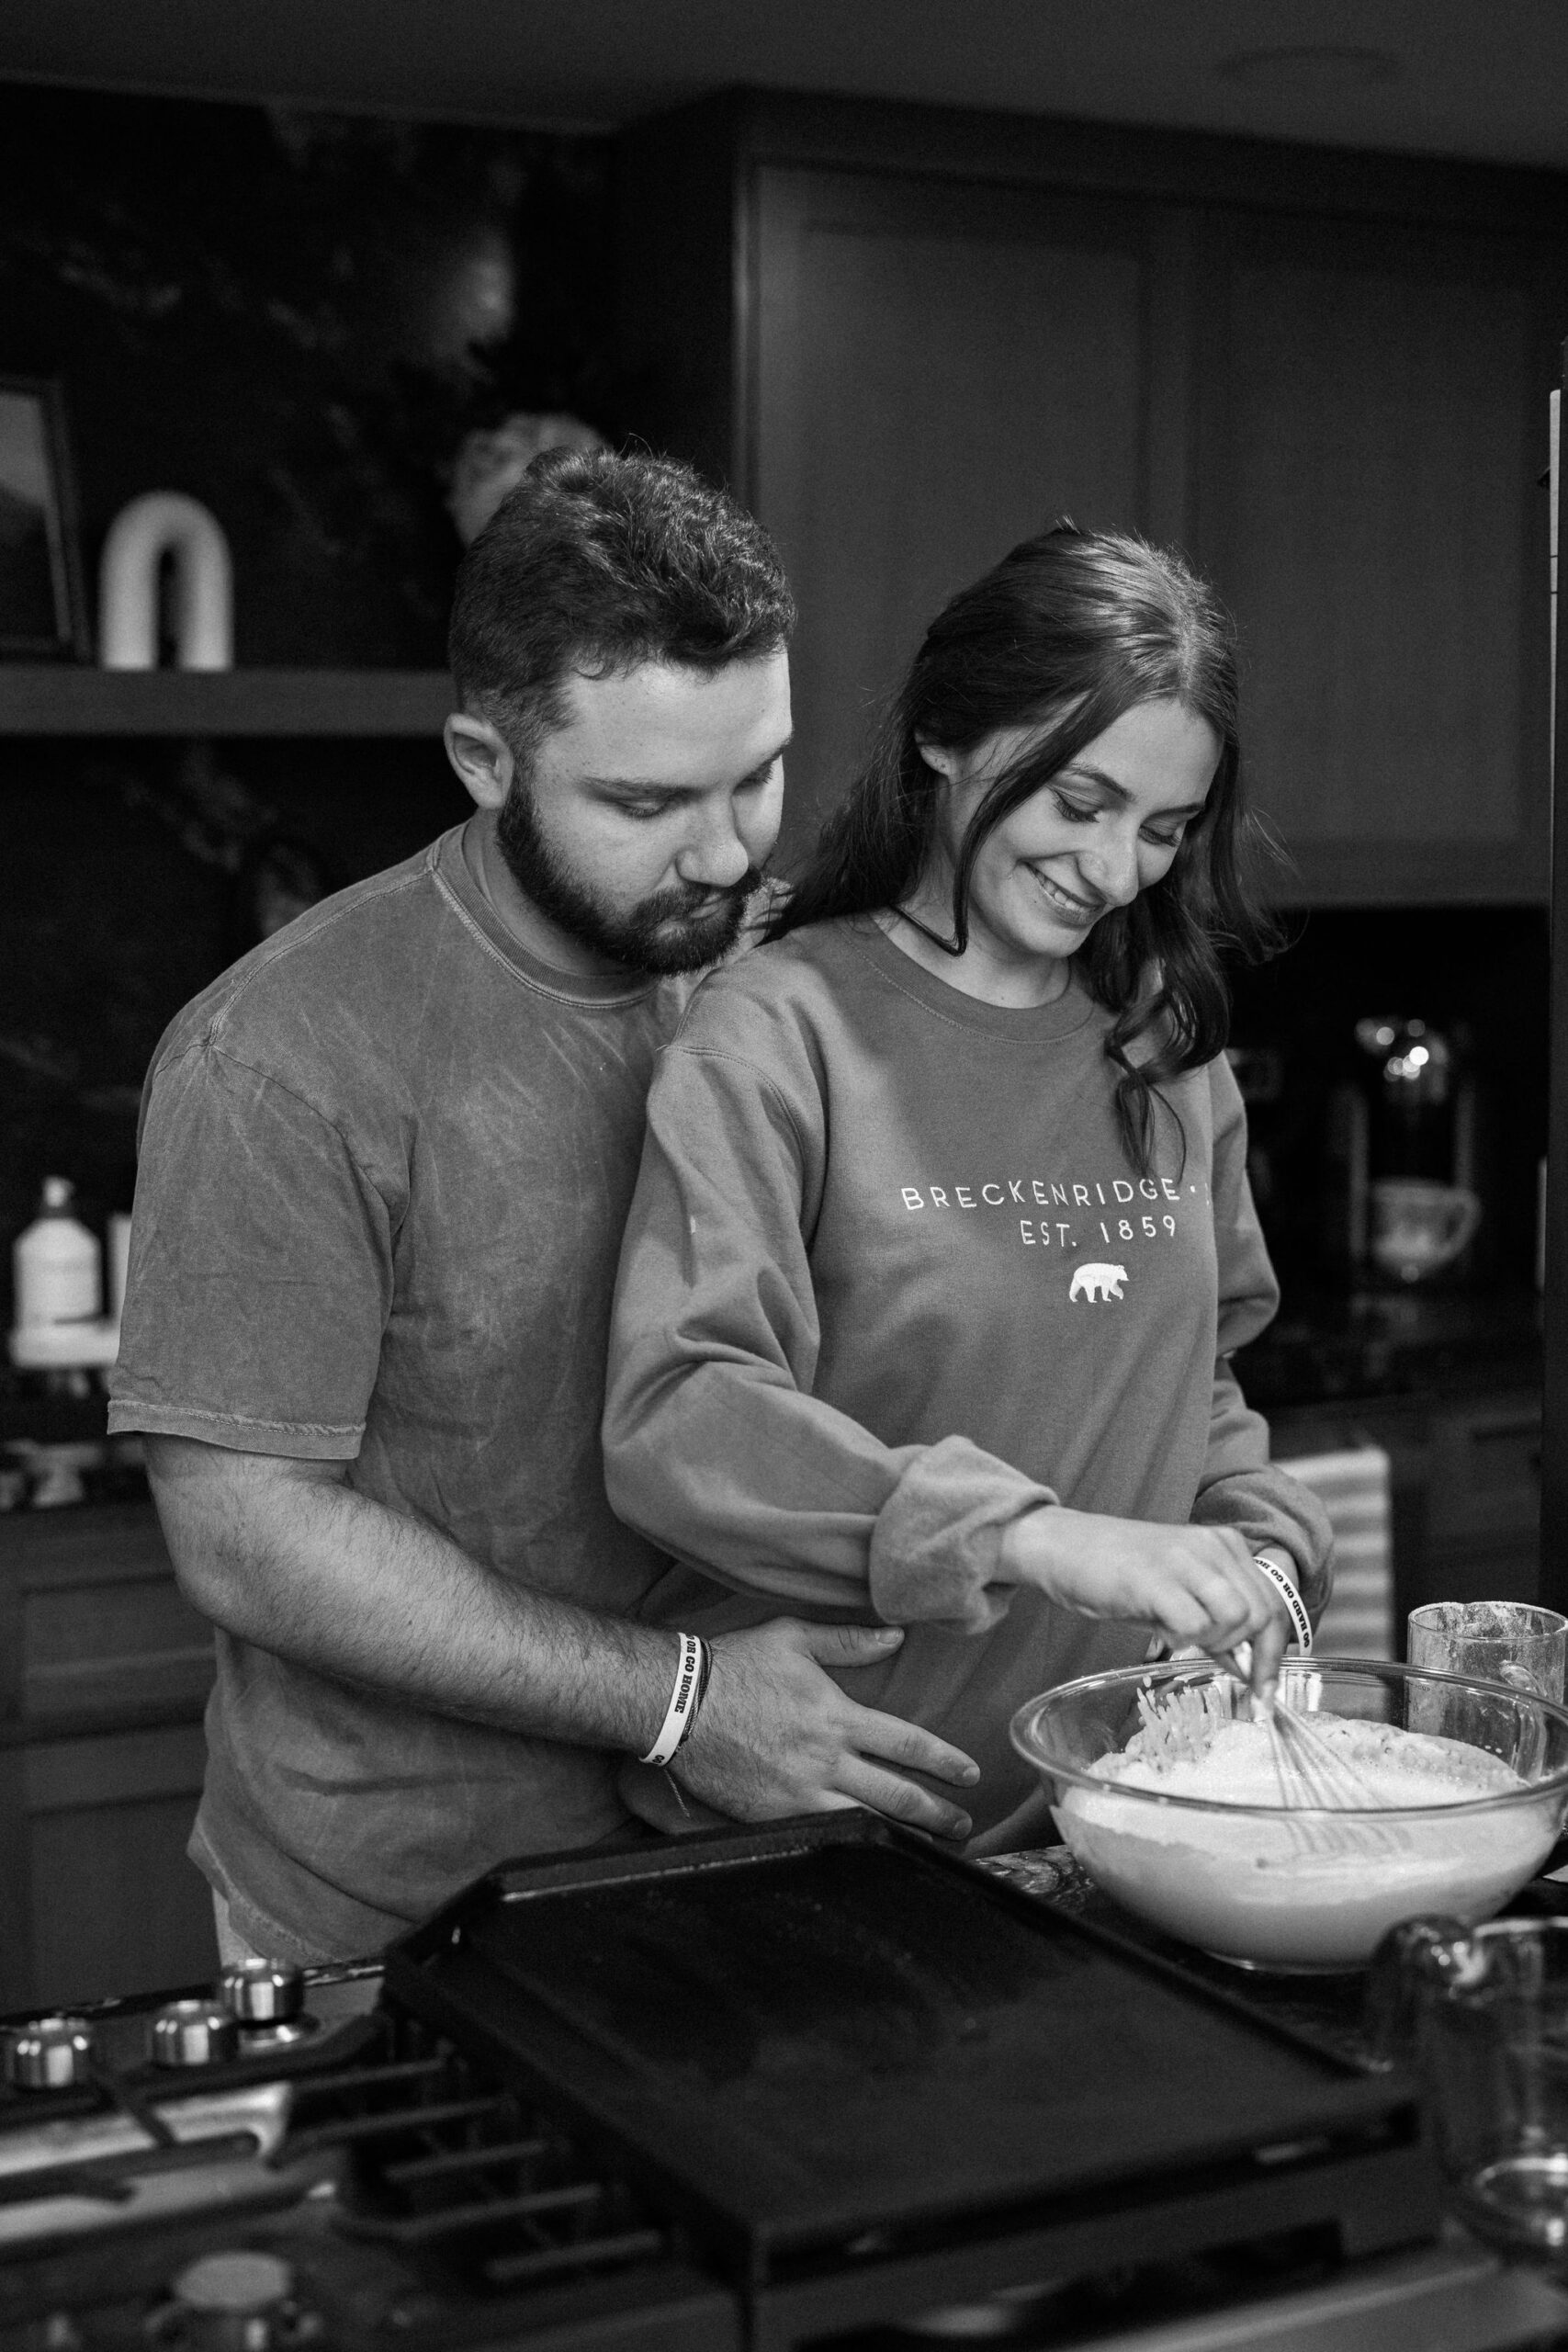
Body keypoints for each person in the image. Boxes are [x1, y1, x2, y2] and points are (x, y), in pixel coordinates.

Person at [107, 449, 979, 1964]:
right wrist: (680, 1700)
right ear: (483, 758)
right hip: (397, 1922)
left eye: (757, 774)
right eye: (645, 800)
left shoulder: (783, 972)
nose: (726, 854)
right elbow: (244, 1535)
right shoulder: (281, 1060)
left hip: (771, 1849)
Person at [603, 521, 1334, 1849]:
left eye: (1165, 829)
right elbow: (682, 1416)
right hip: (832, 1818)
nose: (1116, 874)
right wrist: (1034, 1538)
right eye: (1080, 801)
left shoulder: (1166, 1045)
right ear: (944, 733)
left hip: (1108, 1826)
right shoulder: (780, 1029)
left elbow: (1198, 1387)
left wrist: (1267, 1563)